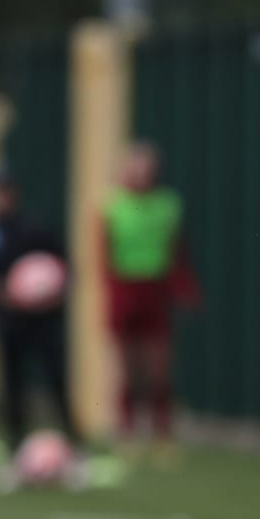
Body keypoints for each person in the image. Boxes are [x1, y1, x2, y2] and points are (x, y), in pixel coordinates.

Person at [0, 171, 85, 490]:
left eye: (4, 192)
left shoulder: (34, 228)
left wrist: (50, 294)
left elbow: (63, 269)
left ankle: (75, 450)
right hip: (9, 322)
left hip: (43, 322)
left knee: (56, 381)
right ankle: (15, 451)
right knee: (13, 386)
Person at [101, 142, 200, 464]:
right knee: (129, 368)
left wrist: (184, 288)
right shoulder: (113, 205)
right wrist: (110, 296)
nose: (142, 174)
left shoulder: (168, 204)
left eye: (148, 168)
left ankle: (162, 432)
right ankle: (127, 430)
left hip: (155, 290)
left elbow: (177, 251)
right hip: (125, 290)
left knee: (159, 367)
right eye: (136, 167)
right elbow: (103, 255)